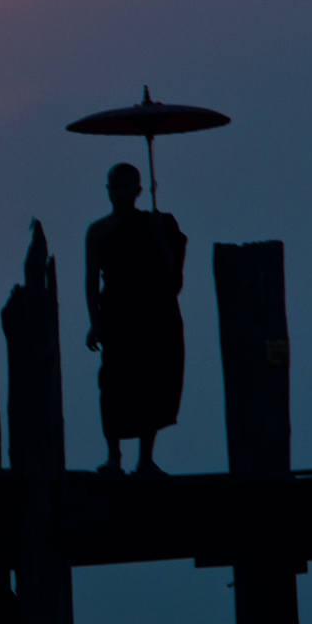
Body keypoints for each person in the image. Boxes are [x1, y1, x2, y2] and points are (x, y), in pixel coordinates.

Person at [84, 162, 187, 475]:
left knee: (152, 384)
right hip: (118, 314)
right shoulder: (99, 230)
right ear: (108, 191)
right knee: (114, 386)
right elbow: (91, 281)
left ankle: (145, 458)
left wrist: (159, 238)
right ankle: (114, 457)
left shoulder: (158, 224)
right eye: (115, 187)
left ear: (139, 190)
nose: (120, 193)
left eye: (127, 187)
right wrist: (95, 322)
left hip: (154, 315)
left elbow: (173, 277)